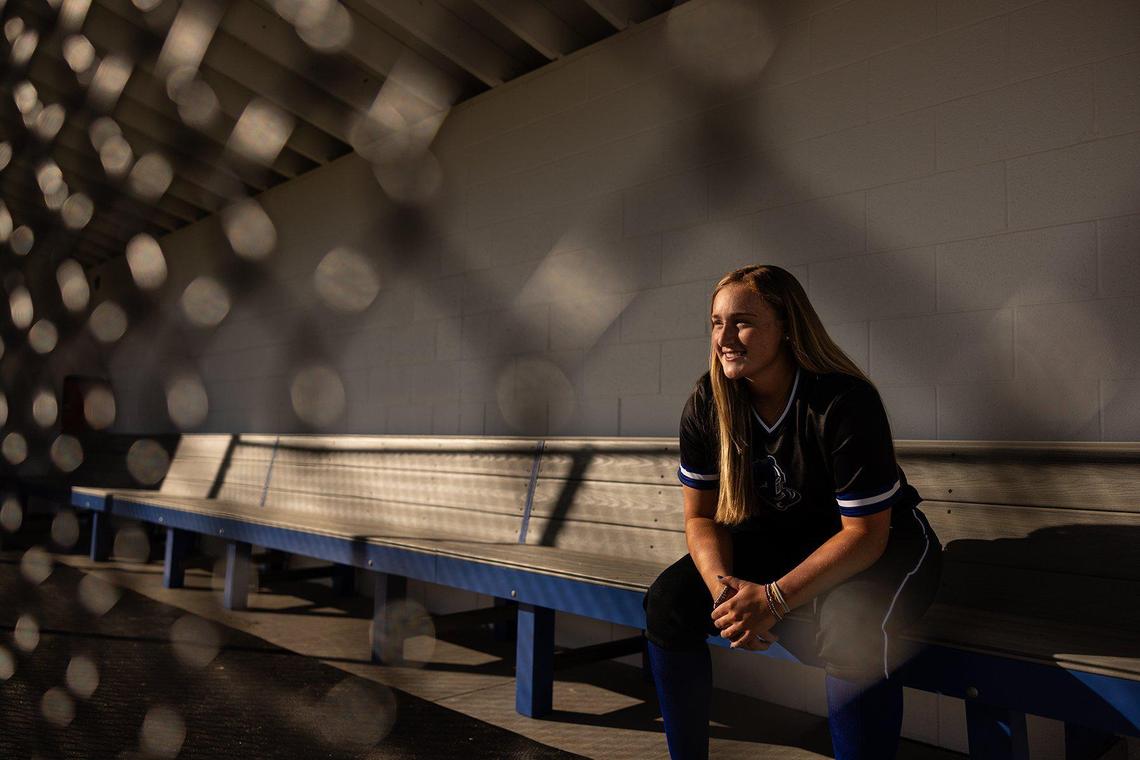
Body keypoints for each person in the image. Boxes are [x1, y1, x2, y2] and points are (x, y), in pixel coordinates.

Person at [644, 265, 942, 760]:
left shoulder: (843, 401)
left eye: (743, 322)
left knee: (851, 629)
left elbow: (866, 535)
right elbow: (701, 519)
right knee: (669, 601)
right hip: (784, 546)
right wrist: (727, 595)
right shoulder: (708, 401)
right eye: (716, 323)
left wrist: (773, 601)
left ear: (787, 325)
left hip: (883, 549)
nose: (724, 337)